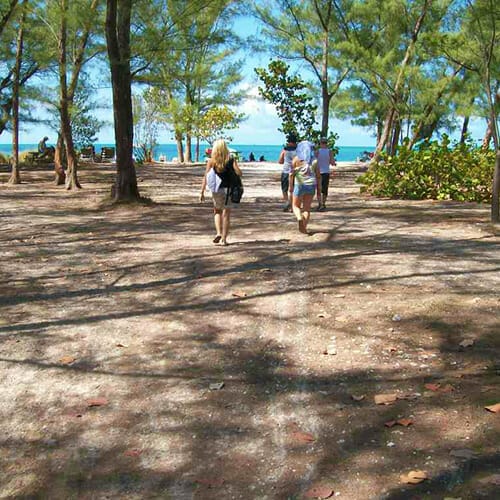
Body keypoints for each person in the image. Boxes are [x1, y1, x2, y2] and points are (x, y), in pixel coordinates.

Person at [200, 139, 242, 246]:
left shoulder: (211, 161)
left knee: (217, 211)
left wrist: (202, 191)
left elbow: (206, 176)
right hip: (228, 190)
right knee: (226, 214)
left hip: (216, 189)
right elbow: (239, 173)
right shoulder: (231, 160)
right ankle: (224, 239)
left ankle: (218, 232)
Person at [289, 140, 320, 234]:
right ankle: (304, 228)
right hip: (311, 185)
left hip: (299, 184)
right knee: (307, 208)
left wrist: (291, 186)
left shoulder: (296, 159)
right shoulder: (314, 160)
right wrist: (319, 188)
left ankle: (299, 217)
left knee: (295, 206)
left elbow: (291, 174)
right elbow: (318, 175)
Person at [315, 137, 336, 211]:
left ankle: (319, 203)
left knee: (318, 189)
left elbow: (314, 162)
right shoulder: (329, 152)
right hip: (326, 172)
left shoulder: (317, 151)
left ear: (320, 143)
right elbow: (332, 162)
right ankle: (323, 203)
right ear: (326, 143)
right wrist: (333, 163)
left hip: (318, 172)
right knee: (325, 189)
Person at [278, 133, 297, 211]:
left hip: (286, 171)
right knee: (293, 189)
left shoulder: (285, 150)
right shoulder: (298, 150)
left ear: (288, 141)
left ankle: (287, 202)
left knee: (284, 189)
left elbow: (280, 161)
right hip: (295, 172)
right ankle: (292, 206)